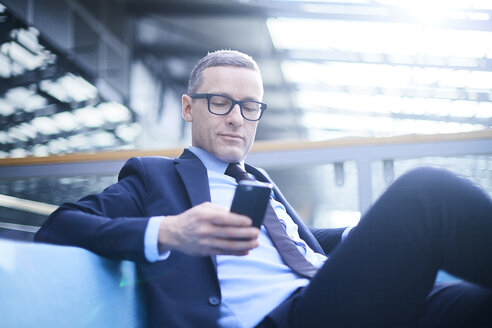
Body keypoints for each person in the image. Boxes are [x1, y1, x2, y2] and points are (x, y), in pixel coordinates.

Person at [35, 50, 492, 328]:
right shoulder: (155, 178)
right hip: (291, 319)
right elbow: (59, 225)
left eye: (249, 106)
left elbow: (297, 243)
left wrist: (365, 237)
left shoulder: (258, 182)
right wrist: (169, 231)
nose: (236, 117)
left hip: (334, 294)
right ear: (189, 108)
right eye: (220, 102)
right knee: (427, 192)